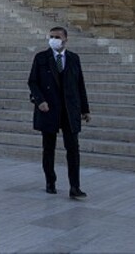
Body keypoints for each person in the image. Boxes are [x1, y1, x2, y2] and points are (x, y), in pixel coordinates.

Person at [27, 27, 91, 198]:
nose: (54, 39)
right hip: (49, 109)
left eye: (57, 37)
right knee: (49, 148)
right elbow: (33, 82)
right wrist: (40, 101)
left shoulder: (73, 58)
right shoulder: (41, 58)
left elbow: (80, 85)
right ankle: (50, 181)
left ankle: (75, 186)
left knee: (73, 149)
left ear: (65, 40)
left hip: (69, 110)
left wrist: (85, 109)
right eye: (52, 37)